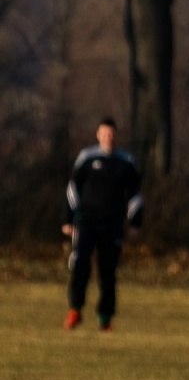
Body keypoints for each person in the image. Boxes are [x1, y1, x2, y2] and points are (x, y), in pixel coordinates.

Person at [61, 117, 142, 331]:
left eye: (112, 133)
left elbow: (135, 196)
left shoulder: (126, 162)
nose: (109, 137)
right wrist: (68, 219)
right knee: (80, 267)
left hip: (112, 225)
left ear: (117, 135)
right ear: (98, 135)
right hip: (85, 223)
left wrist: (135, 224)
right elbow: (72, 190)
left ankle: (105, 318)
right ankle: (75, 311)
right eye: (105, 133)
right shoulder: (86, 158)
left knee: (108, 272)